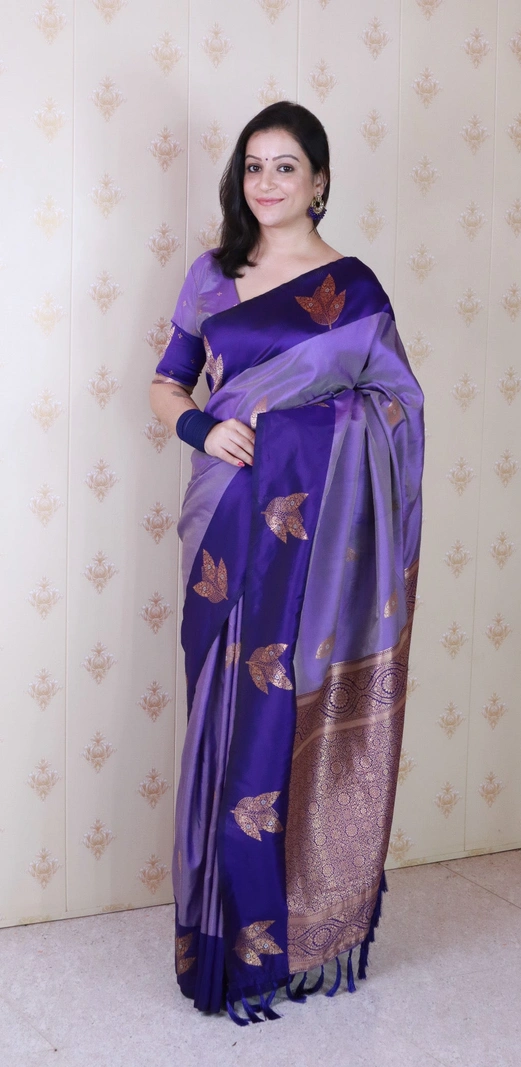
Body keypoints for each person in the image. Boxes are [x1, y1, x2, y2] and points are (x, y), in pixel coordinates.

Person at [149, 101, 424, 1026]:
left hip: (313, 546)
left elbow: (396, 409)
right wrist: (204, 427)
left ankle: (299, 934)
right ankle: (222, 929)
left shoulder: (354, 291)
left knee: (289, 707)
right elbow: (167, 383)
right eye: (253, 166)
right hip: (225, 524)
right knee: (222, 717)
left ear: (320, 182)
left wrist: (299, 431)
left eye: (285, 167)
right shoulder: (213, 275)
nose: (266, 183)